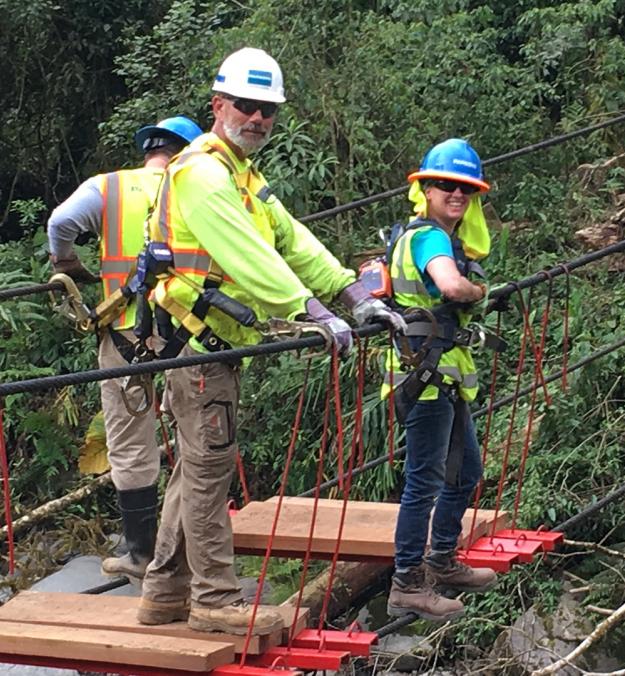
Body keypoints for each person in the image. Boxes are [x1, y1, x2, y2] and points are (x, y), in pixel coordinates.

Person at [135, 47, 405, 636]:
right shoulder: (203, 173)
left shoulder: (244, 177)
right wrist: (308, 308)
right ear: (218, 104)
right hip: (199, 348)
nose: (257, 118)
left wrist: (352, 293)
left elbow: (293, 239)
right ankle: (214, 600)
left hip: (207, 347)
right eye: (246, 106)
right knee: (208, 471)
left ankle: (163, 591)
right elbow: (247, 256)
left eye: (268, 110)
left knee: (193, 469)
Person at [47, 116, 203, 580]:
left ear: (149, 151)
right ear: (189, 153)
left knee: (130, 442)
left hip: (125, 331)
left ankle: (141, 554)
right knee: (197, 437)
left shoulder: (109, 187)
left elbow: (61, 222)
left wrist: (66, 261)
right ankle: (190, 550)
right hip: (191, 330)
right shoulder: (200, 189)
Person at [383, 138, 498, 622]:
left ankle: (442, 560)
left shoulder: (433, 236)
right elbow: (451, 286)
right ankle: (407, 582)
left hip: (441, 377)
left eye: (465, 189)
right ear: (426, 188)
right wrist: (480, 291)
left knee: (465, 473)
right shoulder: (429, 237)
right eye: (447, 186)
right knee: (424, 482)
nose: (457, 195)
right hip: (425, 380)